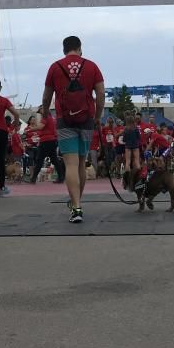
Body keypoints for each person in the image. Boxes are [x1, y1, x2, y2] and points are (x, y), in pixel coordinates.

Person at [40, 35, 106, 224]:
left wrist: (45, 113)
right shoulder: (92, 66)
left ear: (64, 49)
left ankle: (76, 207)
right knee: (81, 163)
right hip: (86, 119)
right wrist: (98, 116)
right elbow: (101, 93)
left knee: (70, 164)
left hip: (64, 120)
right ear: (79, 48)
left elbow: (46, 96)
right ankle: (77, 201)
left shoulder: (55, 67)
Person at [29, 108, 63, 184]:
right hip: (52, 140)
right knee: (54, 160)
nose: (40, 113)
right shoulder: (51, 118)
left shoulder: (45, 117)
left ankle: (33, 178)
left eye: (40, 110)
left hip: (46, 141)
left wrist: (29, 130)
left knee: (39, 159)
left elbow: (40, 127)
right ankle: (61, 177)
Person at [122, 112, 142, 188]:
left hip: (128, 146)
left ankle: (127, 177)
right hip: (135, 146)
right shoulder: (136, 128)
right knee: (137, 161)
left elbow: (124, 139)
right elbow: (139, 138)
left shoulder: (126, 129)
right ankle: (139, 177)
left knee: (128, 161)